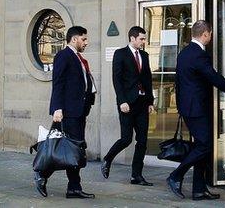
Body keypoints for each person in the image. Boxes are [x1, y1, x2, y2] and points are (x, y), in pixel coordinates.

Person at [166, 20, 225, 201]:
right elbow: (215, 78)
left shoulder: (184, 53)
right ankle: (176, 175)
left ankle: (199, 189)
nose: (210, 38)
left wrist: (181, 106)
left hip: (189, 107)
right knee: (204, 145)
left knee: (201, 146)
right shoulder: (198, 55)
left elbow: (179, 82)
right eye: (210, 34)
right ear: (206, 34)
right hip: (196, 108)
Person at [34, 25, 96, 199]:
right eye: (84, 39)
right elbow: (58, 83)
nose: (86, 42)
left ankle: (73, 188)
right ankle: (44, 175)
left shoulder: (78, 58)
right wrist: (57, 108)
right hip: (68, 111)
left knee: (73, 150)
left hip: (79, 111)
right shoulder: (64, 55)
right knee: (70, 150)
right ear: (74, 39)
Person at [102, 26, 155, 186]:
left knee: (142, 141)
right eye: (141, 39)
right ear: (132, 38)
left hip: (142, 103)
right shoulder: (121, 54)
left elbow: (148, 79)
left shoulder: (144, 55)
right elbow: (116, 79)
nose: (144, 42)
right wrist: (122, 101)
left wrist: (150, 101)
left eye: (144, 39)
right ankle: (108, 158)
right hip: (127, 104)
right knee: (126, 139)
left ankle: (136, 175)